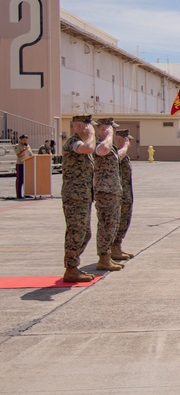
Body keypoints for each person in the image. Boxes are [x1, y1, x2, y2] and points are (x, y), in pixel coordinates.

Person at [62, 115, 97, 283]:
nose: (92, 129)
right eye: (89, 126)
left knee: (85, 233)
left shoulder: (82, 143)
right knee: (76, 232)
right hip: (74, 196)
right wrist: (90, 135)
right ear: (80, 126)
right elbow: (88, 149)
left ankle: (73, 265)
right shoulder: (73, 142)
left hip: (83, 196)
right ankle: (71, 268)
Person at [93, 118, 124, 272]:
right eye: (112, 129)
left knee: (112, 224)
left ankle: (107, 256)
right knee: (106, 224)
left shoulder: (108, 144)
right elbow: (103, 150)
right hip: (105, 191)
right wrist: (108, 135)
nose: (115, 132)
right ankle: (103, 257)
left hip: (112, 190)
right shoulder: (100, 143)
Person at [111, 129, 135, 261]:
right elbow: (115, 160)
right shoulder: (114, 152)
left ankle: (117, 247)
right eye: (127, 140)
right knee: (116, 221)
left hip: (126, 193)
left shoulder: (124, 154)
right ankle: (112, 249)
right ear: (120, 140)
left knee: (124, 220)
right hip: (118, 194)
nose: (129, 143)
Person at [15, 134, 32, 199]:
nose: (25, 141)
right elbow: (19, 155)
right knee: (20, 179)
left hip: (27, 164)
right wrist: (25, 149)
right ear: (20, 140)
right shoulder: (17, 146)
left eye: (26, 140)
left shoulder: (28, 146)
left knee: (27, 180)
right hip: (20, 164)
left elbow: (31, 154)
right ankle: (18, 194)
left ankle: (27, 193)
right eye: (23, 140)